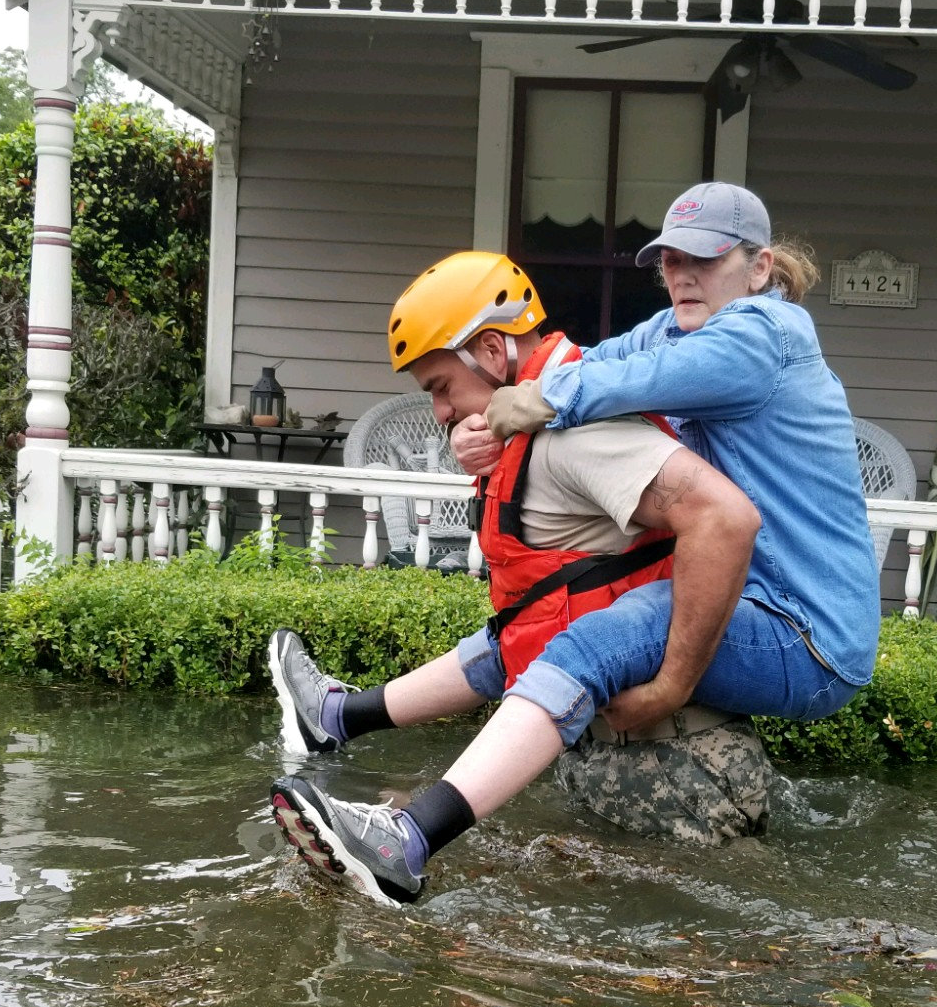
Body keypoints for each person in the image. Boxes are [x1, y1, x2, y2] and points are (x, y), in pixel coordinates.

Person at [271, 183, 880, 906]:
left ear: (758, 267)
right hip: (757, 602)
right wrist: (492, 418)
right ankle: (337, 717)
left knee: (592, 640)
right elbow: (592, 361)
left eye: (706, 259)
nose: (682, 275)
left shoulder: (763, 332)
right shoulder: (678, 328)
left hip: (806, 633)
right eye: (670, 260)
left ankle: (408, 840)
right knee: (551, 616)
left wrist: (672, 685)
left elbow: (636, 386)